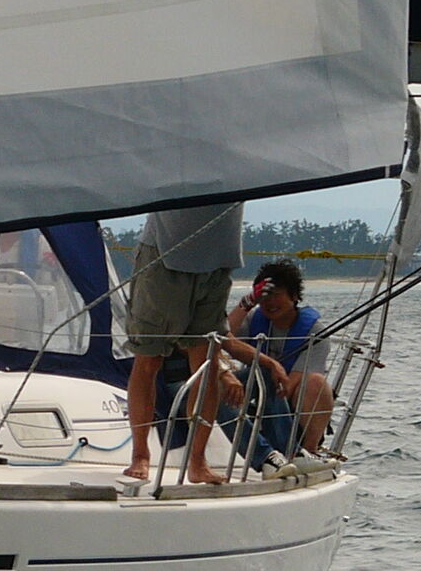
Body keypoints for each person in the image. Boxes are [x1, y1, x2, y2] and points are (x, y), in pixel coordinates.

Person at [123, 201, 243, 484]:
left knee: (206, 364)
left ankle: (197, 461)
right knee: (149, 358)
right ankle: (140, 454)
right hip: (166, 255)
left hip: (219, 257)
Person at [221, 259, 333, 468]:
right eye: (264, 296)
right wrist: (247, 302)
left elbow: (290, 384)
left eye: (276, 294)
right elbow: (224, 336)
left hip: (288, 395)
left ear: (294, 296)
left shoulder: (314, 332)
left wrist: (272, 373)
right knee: (257, 374)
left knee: (316, 382)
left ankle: (309, 450)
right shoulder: (253, 319)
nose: (269, 302)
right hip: (257, 389)